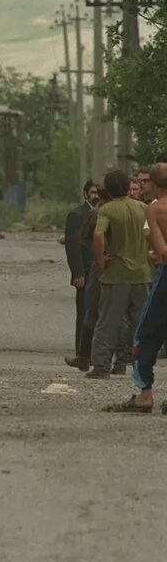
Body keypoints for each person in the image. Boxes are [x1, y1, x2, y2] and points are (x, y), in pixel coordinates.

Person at [107, 164, 167, 413]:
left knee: (144, 333)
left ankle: (144, 393)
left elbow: (161, 250)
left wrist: (155, 254)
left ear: (153, 184)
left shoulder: (154, 209)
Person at [86, 170, 150, 378]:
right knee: (139, 322)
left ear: (109, 189)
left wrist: (100, 258)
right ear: (126, 187)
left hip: (116, 275)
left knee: (108, 322)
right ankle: (133, 363)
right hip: (142, 275)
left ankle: (102, 366)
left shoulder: (107, 210)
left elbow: (98, 234)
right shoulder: (143, 208)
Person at [64, 180, 100, 368]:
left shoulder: (103, 213)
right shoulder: (76, 215)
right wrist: (77, 273)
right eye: (93, 192)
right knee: (84, 312)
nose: (96, 196)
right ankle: (81, 352)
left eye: (98, 192)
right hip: (85, 272)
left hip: (100, 271)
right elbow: (73, 248)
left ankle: (94, 353)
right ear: (86, 194)